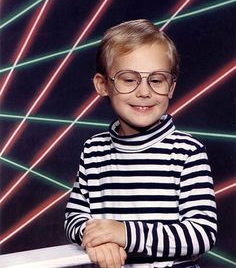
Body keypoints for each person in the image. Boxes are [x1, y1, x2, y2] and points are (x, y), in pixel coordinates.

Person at [64, 19, 217, 268]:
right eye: (128, 79)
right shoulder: (94, 150)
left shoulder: (187, 152)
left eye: (156, 80)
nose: (144, 92)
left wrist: (124, 234)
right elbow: (75, 217)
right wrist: (97, 238)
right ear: (103, 85)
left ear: (171, 87)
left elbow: (201, 234)